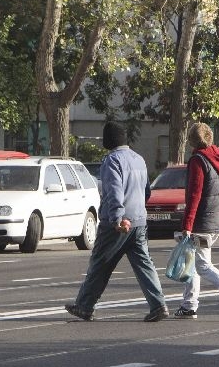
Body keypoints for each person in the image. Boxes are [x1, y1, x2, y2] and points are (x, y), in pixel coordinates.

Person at [66, 121, 169, 322]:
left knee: (100, 263)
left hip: (118, 223)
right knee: (144, 264)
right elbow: (146, 191)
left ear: (109, 140)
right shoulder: (139, 159)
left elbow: (113, 191)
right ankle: (158, 305)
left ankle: (85, 306)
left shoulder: (112, 160)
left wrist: (117, 217)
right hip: (139, 221)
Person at [173, 122, 219, 321]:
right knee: (194, 261)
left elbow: (195, 195)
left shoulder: (198, 160)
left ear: (191, 141)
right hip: (216, 218)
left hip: (202, 221)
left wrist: (187, 225)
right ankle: (189, 305)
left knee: (202, 265)